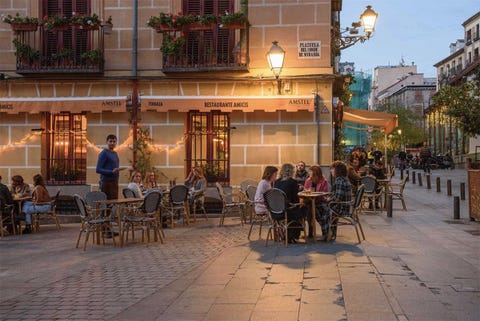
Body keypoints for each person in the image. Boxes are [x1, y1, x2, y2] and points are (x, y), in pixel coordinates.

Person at [274, 163, 305, 243]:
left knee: (297, 209)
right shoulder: (293, 182)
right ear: (292, 171)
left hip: (276, 211)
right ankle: (293, 234)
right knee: (303, 208)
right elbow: (295, 199)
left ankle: (287, 234)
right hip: (287, 211)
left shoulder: (276, 182)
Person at [324, 161, 352, 241]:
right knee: (324, 206)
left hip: (342, 208)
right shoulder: (344, 179)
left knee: (322, 209)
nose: (331, 171)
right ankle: (330, 233)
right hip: (346, 206)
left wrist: (327, 200)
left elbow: (337, 198)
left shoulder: (339, 180)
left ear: (337, 170)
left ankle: (327, 234)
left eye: (332, 169)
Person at [302, 165, 329, 239]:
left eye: (310, 171)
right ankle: (312, 229)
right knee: (309, 208)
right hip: (309, 201)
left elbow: (325, 193)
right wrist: (307, 191)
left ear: (315, 173)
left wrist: (317, 194)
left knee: (313, 209)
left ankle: (312, 231)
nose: (309, 173)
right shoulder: (308, 180)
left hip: (319, 200)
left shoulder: (323, 181)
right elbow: (305, 190)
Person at [96, 134, 121, 200]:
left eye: (114, 141)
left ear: (116, 143)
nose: (112, 143)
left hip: (114, 182)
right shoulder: (104, 153)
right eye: (110, 141)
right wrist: (111, 172)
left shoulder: (115, 153)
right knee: (107, 204)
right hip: (106, 183)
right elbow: (98, 169)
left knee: (114, 204)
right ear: (107, 142)